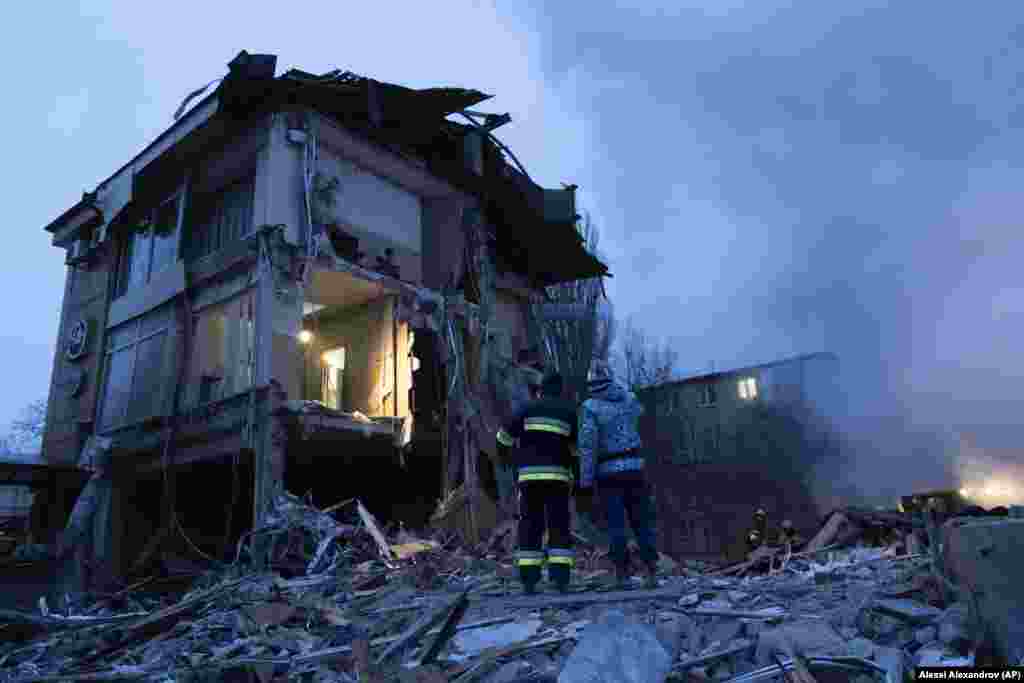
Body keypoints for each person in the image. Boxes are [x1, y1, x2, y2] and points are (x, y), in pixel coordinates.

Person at [576, 361, 659, 590]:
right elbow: (639, 414)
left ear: (590, 383)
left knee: (616, 525)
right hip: (635, 468)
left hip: (608, 473)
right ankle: (652, 571)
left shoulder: (590, 408)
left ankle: (622, 575)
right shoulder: (630, 400)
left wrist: (584, 482)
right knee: (642, 521)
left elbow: (587, 446)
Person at [496, 371, 579, 594]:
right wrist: (578, 479)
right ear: (560, 390)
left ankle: (529, 580)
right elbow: (577, 451)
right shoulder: (568, 413)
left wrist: (507, 460)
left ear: (541, 388)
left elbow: (503, 437)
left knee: (530, 525)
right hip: (558, 479)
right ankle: (560, 579)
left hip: (529, 479)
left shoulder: (527, 409)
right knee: (559, 526)